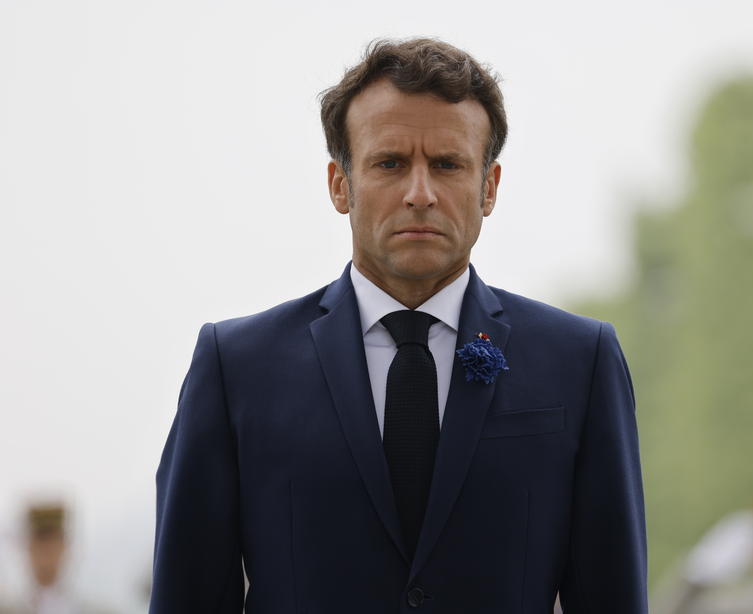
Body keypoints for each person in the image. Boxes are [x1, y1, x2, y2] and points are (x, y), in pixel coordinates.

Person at [150, 37, 646, 613]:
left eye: (447, 164)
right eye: (389, 163)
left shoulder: (578, 362)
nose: (420, 193)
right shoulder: (236, 367)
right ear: (341, 183)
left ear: (489, 187)